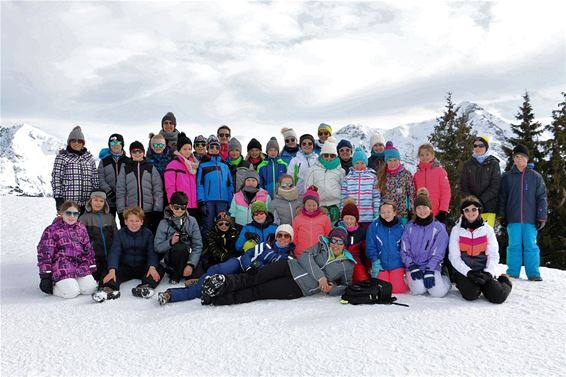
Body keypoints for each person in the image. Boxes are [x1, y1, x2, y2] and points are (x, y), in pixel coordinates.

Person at [200, 227, 355, 306]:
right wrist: (320, 276)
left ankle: (216, 299)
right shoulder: (321, 246)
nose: (335, 244)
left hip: (298, 287)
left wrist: (332, 288)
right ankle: (222, 283)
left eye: (340, 241)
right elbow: (304, 257)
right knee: (254, 277)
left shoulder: (347, 265)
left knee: (258, 291)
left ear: (345, 245)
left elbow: (346, 286)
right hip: (288, 265)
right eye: (333, 240)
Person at [158, 224, 295, 305]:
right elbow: (247, 254)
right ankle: (200, 281)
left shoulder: (286, 257)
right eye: (280, 235)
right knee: (215, 269)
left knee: (211, 288)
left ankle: (172, 295)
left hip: (253, 277)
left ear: (290, 239)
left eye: (286, 236)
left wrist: (259, 268)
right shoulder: (265, 245)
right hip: (241, 264)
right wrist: (248, 266)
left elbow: (276, 272)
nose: (282, 238)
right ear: (276, 236)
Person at [92, 207, 165, 302]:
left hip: (142, 266)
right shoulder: (120, 234)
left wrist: (152, 266)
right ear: (125, 221)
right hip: (124, 267)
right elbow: (115, 252)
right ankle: (108, 289)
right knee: (108, 268)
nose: (134, 224)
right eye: (131, 221)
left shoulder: (148, 234)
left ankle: (146, 287)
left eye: (137, 221)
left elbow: (152, 252)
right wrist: (112, 269)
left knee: (159, 268)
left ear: (142, 222)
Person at [449, 196, 512, 303]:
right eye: (467, 210)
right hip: (464, 271)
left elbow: (493, 254)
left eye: (474, 209)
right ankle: (467, 284)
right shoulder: (456, 230)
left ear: (479, 210)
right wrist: (468, 272)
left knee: (498, 296)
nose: (470, 213)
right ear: (462, 212)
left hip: (483, 270)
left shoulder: (487, 229)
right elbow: (454, 257)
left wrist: (488, 273)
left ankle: (504, 280)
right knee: (471, 294)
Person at [498, 144, 548, 281]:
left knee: (531, 246)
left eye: (522, 156)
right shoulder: (507, 177)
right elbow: (502, 197)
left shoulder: (536, 177)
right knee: (513, 246)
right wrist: (502, 215)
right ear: (513, 159)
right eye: (516, 157)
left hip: (530, 219)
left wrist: (541, 217)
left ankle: (533, 273)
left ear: (527, 158)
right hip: (513, 219)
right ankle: (513, 272)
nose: (519, 159)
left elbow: (542, 198)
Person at [37, 200, 98, 299]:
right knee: (72, 292)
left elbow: (88, 249)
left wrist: (92, 267)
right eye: (68, 213)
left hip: (79, 265)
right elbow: (45, 253)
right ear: (61, 213)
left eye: (75, 213)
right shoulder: (52, 230)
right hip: (61, 267)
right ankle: (55, 285)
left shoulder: (81, 228)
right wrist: (45, 276)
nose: (72, 216)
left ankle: (72, 283)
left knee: (90, 289)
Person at [400, 189, 451, 297]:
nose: (422, 211)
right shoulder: (409, 227)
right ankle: (413, 279)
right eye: (419, 208)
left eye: (425, 207)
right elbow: (404, 251)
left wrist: (430, 270)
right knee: (419, 290)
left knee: (437, 293)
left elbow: (439, 253)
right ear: (415, 210)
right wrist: (411, 266)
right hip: (414, 266)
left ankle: (444, 278)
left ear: (430, 209)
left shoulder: (439, 228)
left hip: (432, 265)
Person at [154, 192, 203, 284]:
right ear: (171, 206)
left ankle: (185, 271)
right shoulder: (164, 223)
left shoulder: (192, 221)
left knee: (198, 275)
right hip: (172, 258)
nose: (180, 210)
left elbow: (197, 245)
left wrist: (191, 264)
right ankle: (176, 274)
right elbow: (157, 247)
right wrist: (170, 242)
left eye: (183, 207)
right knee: (180, 247)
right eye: (176, 207)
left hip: (188, 256)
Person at [116, 141, 164, 234]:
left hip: (148, 211)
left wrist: (157, 209)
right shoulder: (125, 169)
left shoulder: (150, 168)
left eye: (139, 151)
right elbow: (121, 191)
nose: (137, 154)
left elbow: (157, 190)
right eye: (134, 152)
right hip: (131, 212)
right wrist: (122, 211)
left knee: (148, 236)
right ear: (130, 153)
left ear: (144, 152)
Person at [51, 126, 99, 213]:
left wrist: (96, 197)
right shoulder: (62, 157)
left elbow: (95, 179)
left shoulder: (89, 159)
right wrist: (58, 199)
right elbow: (56, 178)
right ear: (69, 142)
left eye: (80, 141)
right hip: (69, 203)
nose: (77, 143)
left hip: (87, 203)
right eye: (73, 141)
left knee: (85, 226)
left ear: (83, 143)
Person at [366, 201, 407, 293]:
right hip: (381, 264)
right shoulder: (373, 226)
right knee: (382, 289)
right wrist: (375, 261)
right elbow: (370, 246)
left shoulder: (402, 227)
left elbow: (405, 246)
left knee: (397, 289)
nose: (386, 214)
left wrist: (404, 262)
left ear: (394, 212)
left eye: (389, 212)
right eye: (383, 212)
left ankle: (400, 277)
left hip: (397, 264)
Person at [196, 135, 234, 235]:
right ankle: (206, 248)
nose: (214, 149)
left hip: (223, 201)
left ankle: (222, 248)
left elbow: (230, 185)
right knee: (208, 225)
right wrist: (201, 202)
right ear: (208, 148)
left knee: (223, 224)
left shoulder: (225, 165)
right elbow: (200, 185)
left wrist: (230, 200)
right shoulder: (203, 165)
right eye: (212, 147)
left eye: (217, 147)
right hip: (209, 201)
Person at [460, 136, 501, 227]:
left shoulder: (494, 163)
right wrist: (472, 201)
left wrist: (480, 201)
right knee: (471, 236)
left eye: (481, 145)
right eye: (475, 146)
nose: (477, 148)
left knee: (486, 237)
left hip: (488, 207)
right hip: (470, 209)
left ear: (486, 147)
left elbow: (495, 186)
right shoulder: (467, 164)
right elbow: (464, 186)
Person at [78, 191, 118, 282]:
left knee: (109, 277)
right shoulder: (84, 218)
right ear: (90, 202)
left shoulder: (110, 217)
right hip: (93, 259)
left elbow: (115, 235)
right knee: (94, 278)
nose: (98, 203)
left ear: (105, 203)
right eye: (96, 200)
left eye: (101, 201)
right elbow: (80, 241)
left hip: (108, 257)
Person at [305, 137, 345, 223]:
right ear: (321, 155)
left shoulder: (340, 171)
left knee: (334, 229)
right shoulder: (313, 169)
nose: (329, 158)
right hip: (319, 206)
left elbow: (344, 190)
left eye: (332, 155)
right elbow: (307, 188)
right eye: (326, 155)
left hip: (336, 205)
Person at [340, 147, 380, 227]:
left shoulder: (372, 177)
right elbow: (343, 197)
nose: (359, 166)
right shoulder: (348, 178)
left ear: (366, 163)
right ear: (353, 164)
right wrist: (342, 213)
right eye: (357, 163)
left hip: (368, 217)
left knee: (366, 238)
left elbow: (376, 197)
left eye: (362, 163)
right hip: (352, 218)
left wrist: (376, 214)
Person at [379, 141, 416, 224]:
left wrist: (412, 212)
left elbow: (411, 193)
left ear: (399, 160)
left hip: (402, 214)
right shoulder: (383, 175)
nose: (393, 163)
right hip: (387, 214)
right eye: (390, 160)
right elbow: (379, 195)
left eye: (395, 160)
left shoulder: (406, 174)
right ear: (386, 162)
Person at [413, 143, 451, 223]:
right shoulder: (417, 175)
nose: (425, 157)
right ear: (419, 157)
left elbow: (446, 192)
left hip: (437, 213)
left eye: (427, 154)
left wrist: (443, 210)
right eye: (422, 155)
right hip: (421, 213)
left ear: (433, 155)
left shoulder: (440, 172)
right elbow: (414, 195)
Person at [164, 133, 199, 219]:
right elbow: (170, 186)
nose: (188, 151)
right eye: (185, 149)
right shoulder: (173, 165)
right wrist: (173, 203)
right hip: (180, 206)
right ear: (179, 150)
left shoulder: (194, 165)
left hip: (194, 205)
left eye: (190, 149)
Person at [292, 186, 332, 257]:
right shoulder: (298, 218)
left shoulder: (324, 218)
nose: (311, 207)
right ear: (304, 205)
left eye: (314, 205)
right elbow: (294, 235)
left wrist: (325, 247)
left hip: (319, 252)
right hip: (301, 252)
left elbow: (328, 234)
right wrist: (297, 247)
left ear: (318, 205)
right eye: (309, 205)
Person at [98, 133, 126, 225]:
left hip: (124, 200)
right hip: (109, 200)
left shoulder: (128, 161)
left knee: (125, 224)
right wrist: (109, 192)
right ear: (109, 146)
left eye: (118, 143)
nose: (115, 145)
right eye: (113, 143)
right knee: (109, 225)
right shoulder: (104, 161)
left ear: (122, 144)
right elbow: (100, 178)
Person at [338, 199, 370, 282]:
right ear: (342, 218)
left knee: (362, 280)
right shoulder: (338, 231)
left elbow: (365, 251)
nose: (349, 221)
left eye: (351, 219)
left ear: (356, 219)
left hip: (355, 261)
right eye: (346, 218)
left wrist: (368, 266)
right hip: (340, 260)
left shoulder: (361, 232)